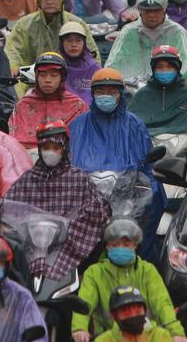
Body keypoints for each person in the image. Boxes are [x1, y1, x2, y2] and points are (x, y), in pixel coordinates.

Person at [68, 69, 163, 255]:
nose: (106, 96)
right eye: (100, 91)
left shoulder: (134, 124)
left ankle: (141, 258)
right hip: (86, 196)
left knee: (155, 196)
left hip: (126, 194)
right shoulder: (78, 125)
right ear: (93, 94)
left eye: (111, 91)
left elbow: (147, 167)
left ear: (120, 93)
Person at [5, 120, 110, 274]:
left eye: (56, 148)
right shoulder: (27, 179)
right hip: (32, 247)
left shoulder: (79, 178)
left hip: (68, 247)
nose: (50, 152)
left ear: (64, 148)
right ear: (39, 149)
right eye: (46, 147)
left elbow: (99, 206)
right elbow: (10, 207)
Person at [73, 221, 185, 342]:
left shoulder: (147, 270)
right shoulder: (94, 273)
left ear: (135, 246)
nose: (121, 248)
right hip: (108, 340)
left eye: (126, 244)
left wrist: (176, 332)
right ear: (107, 247)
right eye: (115, 244)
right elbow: (84, 303)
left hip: (147, 338)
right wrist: (79, 328)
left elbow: (162, 302)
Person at [105, 0, 187, 85]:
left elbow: (186, 63)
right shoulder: (128, 31)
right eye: (147, 11)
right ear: (140, 11)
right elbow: (114, 62)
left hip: (169, 87)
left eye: (156, 10)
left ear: (164, 10)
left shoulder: (176, 31)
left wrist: (184, 81)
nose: (152, 15)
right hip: (132, 88)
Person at [5, 0, 99, 70]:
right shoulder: (24, 24)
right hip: (31, 79)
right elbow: (12, 51)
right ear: (38, 0)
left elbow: (92, 55)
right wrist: (13, 66)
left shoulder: (77, 23)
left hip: (71, 77)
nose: (50, 1)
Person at [128, 45, 187, 144]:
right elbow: (129, 126)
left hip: (182, 151)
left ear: (177, 69)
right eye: (160, 67)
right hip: (146, 147)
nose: (165, 70)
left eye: (170, 66)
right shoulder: (142, 95)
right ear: (153, 70)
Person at [8, 55, 89, 147]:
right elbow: (12, 141)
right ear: (36, 77)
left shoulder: (77, 106)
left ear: (62, 78)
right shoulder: (22, 105)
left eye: (54, 75)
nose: (47, 80)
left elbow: (84, 142)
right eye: (42, 75)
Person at [89, 286, 175, 342]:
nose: (133, 315)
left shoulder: (161, 336)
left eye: (138, 311)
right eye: (126, 313)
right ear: (113, 316)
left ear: (145, 311)